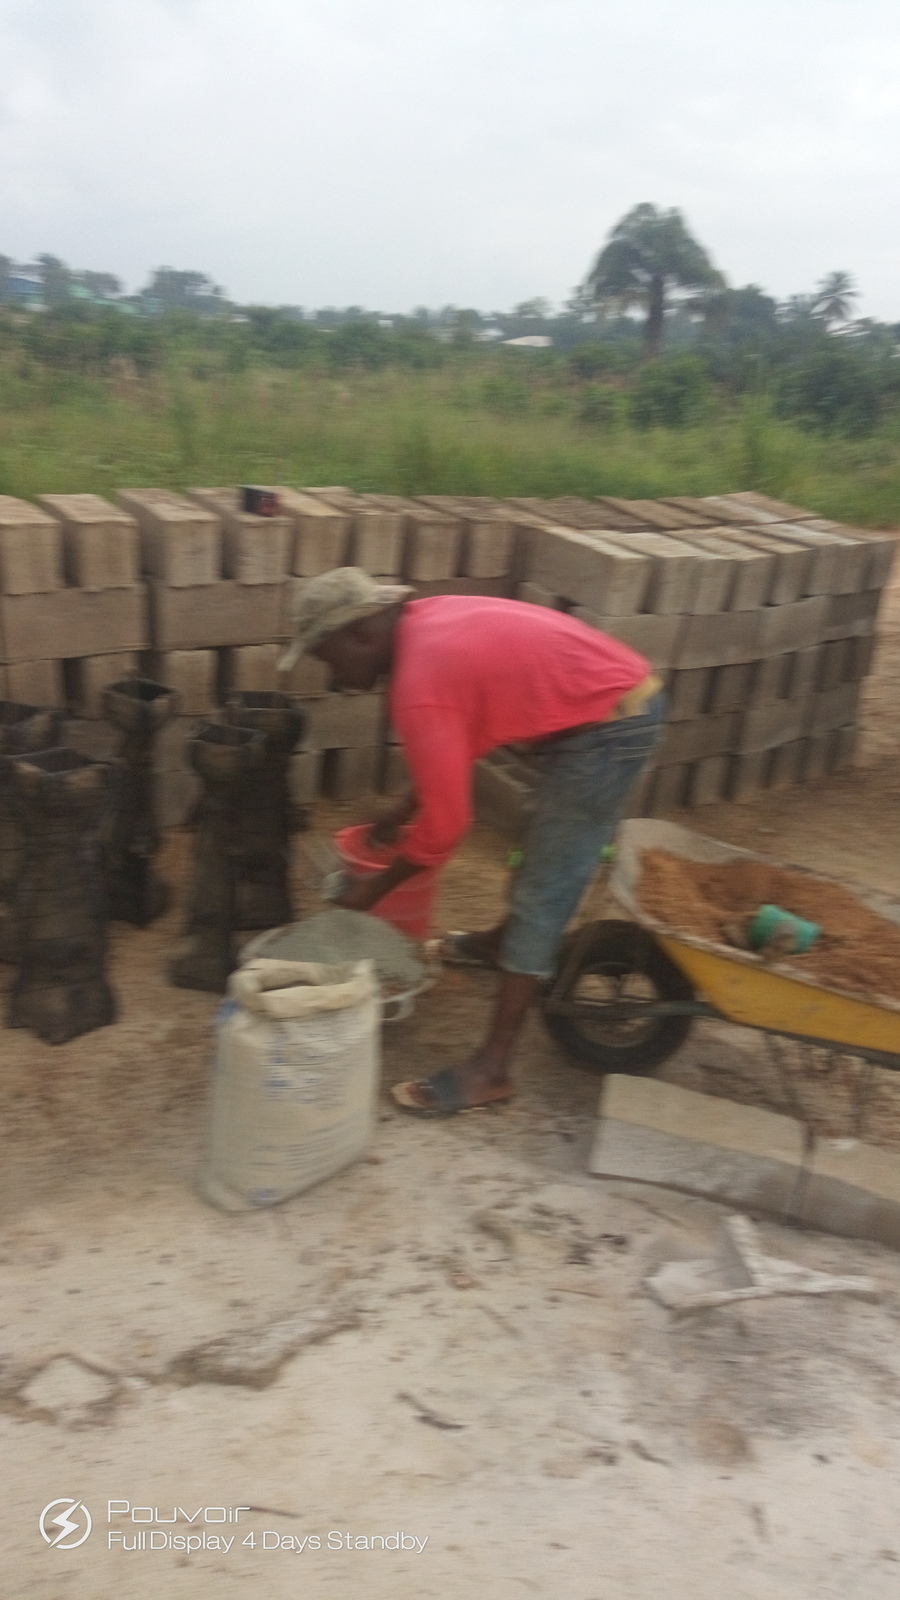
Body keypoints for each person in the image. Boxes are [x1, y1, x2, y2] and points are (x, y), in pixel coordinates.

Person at [279, 567, 665, 1116]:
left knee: (544, 889)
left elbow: (447, 827)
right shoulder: (423, 625)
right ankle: (499, 945)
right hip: (606, 704)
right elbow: (458, 735)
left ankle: (493, 1069)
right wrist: (402, 811)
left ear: (361, 634)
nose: (334, 677)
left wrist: (372, 892)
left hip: (611, 726)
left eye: (328, 658)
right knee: (540, 846)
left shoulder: (418, 682)